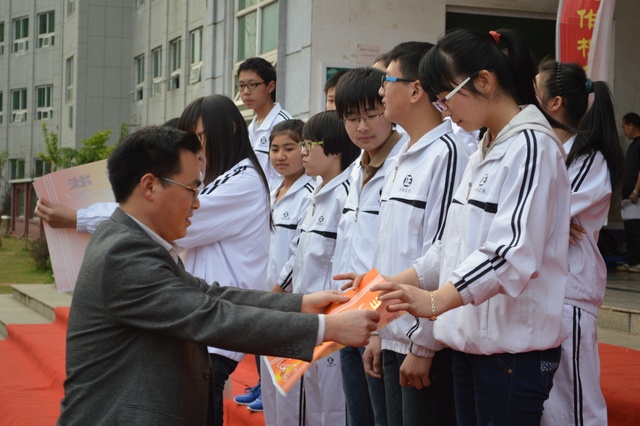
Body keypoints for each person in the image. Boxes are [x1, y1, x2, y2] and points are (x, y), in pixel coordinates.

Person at [56, 125, 380, 425]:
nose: (197, 204)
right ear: (150, 186)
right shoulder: (123, 252)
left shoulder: (136, 242)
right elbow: (210, 315)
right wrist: (327, 328)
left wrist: (301, 304)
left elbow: (210, 294)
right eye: (192, 189)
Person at [368, 29, 571, 425]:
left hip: (512, 355)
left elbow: (509, 254)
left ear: (484, 81)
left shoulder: (532, 147)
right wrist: (390, 285)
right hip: (471, 347)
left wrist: (435, 301)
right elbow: (452, 246)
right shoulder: (484, 149)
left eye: (446, 96)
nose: (443, 109)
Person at [37, 95, 277, 426]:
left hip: (209, 325)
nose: (195, 149)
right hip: (197, 317)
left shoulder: (243, 182)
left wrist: (79, 217)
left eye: (199, 137)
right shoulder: (221, 179)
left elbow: (167, 219)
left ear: (230, 130)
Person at [341, 41, 469, 426]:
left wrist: (424, 345)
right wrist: (379, 330)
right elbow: (390, 250)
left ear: (415, 90)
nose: (381, 91)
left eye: (387, 81)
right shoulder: (400, 157)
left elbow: (445, 254)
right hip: (393, 333)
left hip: (423, 341)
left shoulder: (449, 152)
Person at [535, 59, 624, 426]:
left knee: (573, 409)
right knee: (546, 407)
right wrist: (550, 220)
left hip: (569, 295)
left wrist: (548, 218)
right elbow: (534, 216)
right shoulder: (544, 150)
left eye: (533, 92)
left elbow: (538, 215)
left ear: (554, 103)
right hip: (541, 293)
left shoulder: (587, 158)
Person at [274, 111, 361, 426]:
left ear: (335, 149)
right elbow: (297, 254)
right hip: (309, 318)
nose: (303, 152)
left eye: (309, 145)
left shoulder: (347, 195)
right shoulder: (317, 194)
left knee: (333, 407)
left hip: (334, 321)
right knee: (312, 406)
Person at [332, 66, 407, 426]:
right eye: (351, 118)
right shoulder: (353, 171)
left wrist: (380, 329)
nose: (362, 126)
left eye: (371, 114)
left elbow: (401, 252)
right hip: (349, 315)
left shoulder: (403, 164)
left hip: (384, 322)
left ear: (387, 109)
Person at [259, 119, 316, 425]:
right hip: (266, 302)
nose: (280, 156)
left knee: (291, 396)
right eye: (274, 149)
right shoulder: (271, 191)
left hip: (289, 303)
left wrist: (279, 290)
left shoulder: (310, 193)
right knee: (270, 392)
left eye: (289, 148)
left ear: (304, 149)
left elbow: (299, 252)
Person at [238, 57, 292, 190]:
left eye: (252, 85)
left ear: (270, 86)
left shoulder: (285, 124)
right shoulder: (250, 128)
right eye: (242, 86)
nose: (246, 92)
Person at [619, 112, 640, 272]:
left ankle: (637, 262)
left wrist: (635, 191)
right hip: (629, 196)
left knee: (636, 231)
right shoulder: (633, 145)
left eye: (624, 126)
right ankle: (632, 261)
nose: (624, 130)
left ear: (632, 125)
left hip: (636, 196)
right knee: (630, 230)